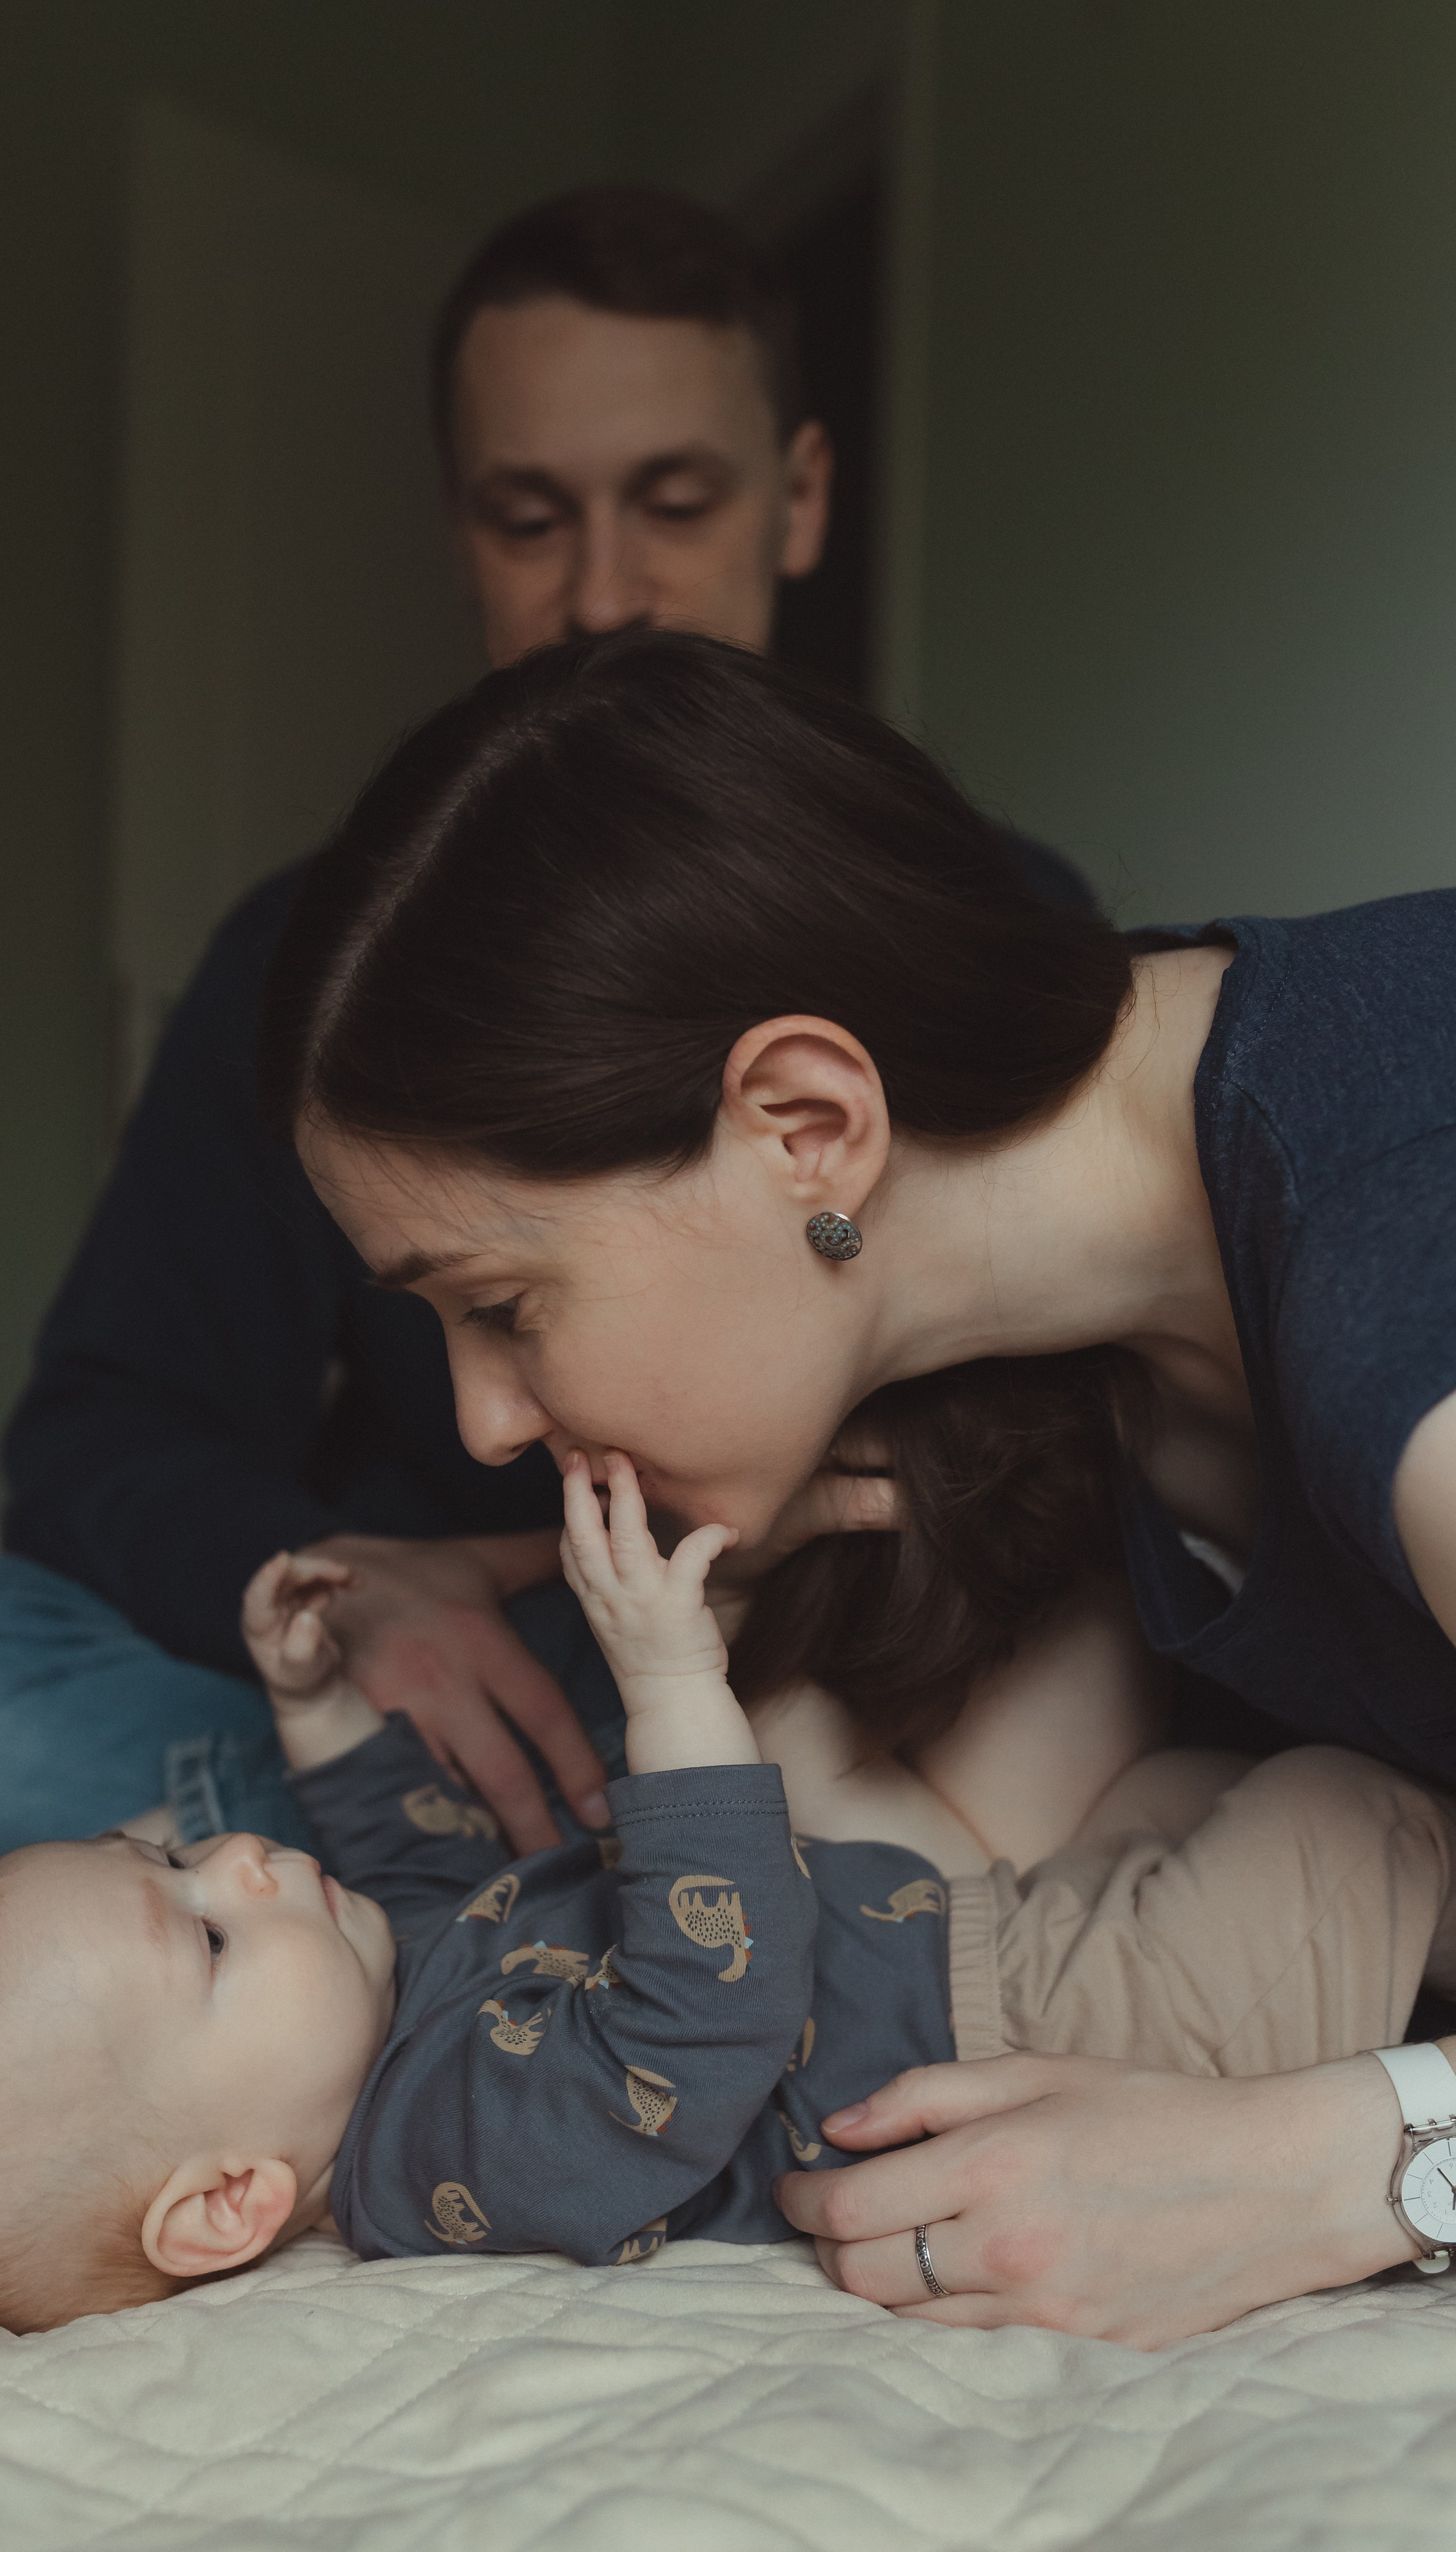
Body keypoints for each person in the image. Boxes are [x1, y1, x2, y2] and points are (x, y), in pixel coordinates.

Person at [0, 187, 1088, 2049]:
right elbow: (99, 1427)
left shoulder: (981, 923)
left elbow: (1064, 1470)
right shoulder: (320, 973)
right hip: (451, 1692)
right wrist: (356, 1602)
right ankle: (557, 1907)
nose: (604, 591)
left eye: (675, 501)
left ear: (800, 498)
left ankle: (456, 1916)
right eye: (528, 518)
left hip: (818, 1669)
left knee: (1031, 1710)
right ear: (457, 524)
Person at [247, 625, 1456, 2345]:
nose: (483, 1424)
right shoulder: (1076, 1283)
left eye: (503, 1307)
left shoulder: (1396, 1283)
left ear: (806, 1126)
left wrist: (1319, 2171)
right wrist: (498, 1571)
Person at [0, 1455, 1456, 2335]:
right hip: (1035, 2026)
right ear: (233, 2201)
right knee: (1354, 1815)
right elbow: (702, 2010)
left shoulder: (369, 2036)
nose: (233, 1860)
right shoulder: (452, 2158)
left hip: (978, 1924)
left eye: (167, 1853)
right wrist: (669, 1693)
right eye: (207, 1934)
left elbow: (419, 1868)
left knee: (1187, 1796)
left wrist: (315, 1713)